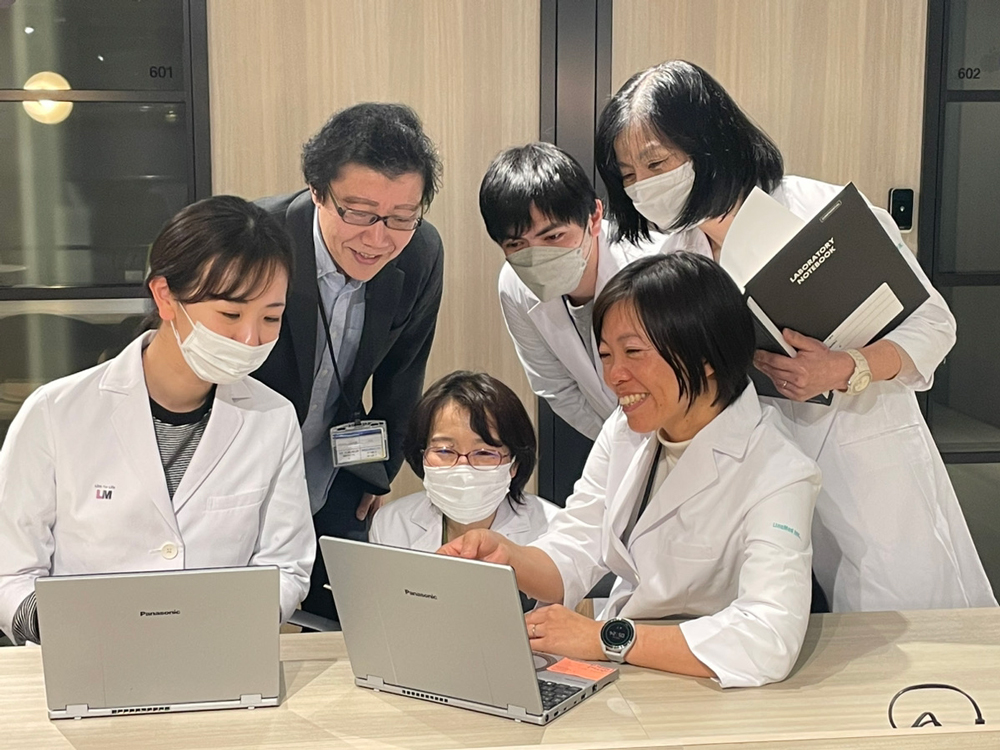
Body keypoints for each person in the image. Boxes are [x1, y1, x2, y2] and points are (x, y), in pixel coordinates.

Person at [594, 59, 996, 612]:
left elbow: (934, 324)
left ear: (709, 143)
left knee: (904, 611)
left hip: (863, 448)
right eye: (628, 175)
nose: (643, 186)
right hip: (763, 467)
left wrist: (846, 367)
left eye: (656, 163)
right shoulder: (678, 256)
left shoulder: (824, 215)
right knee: (789, 619)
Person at [442, 253, 821, 688]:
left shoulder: (779, 471)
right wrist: (507, 556)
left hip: (711, 684)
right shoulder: (626, 430)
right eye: (606, 355)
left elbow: (768, 638)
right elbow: (575, 547)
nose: (613, 376)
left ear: (705, 356)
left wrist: (605, 638)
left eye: (633, 352)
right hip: (629, 671)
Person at [0, 196, 315, 644]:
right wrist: (70, 632)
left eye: (271, 317)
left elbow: (286, 565)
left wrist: (229, 626)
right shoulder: (54, 413)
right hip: (89, 657)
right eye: (230, 313)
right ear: (166, 296)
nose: (250, 338)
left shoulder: (273, 418)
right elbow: (10, 571)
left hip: (216, 654)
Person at [253, 103, 444, 620]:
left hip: (334, 467)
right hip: (241, 467)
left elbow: (405, 373)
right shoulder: (258, 236)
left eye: (401, 218)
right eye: (358, 213)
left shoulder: (420, 252)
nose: (378, 239)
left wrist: (378, 474)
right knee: (236, 616)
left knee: (346, 618)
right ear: (318, 191)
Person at [479, 142, 678, 440]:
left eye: (554, 236)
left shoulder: (657, 266)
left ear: (594, 218)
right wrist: (622, 445)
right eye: (516, 244)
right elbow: (557, 387)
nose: (536, 256)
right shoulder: (514, 285)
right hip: (617, 440)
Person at [370, 370, 560, 552]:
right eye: (444, 450)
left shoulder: (554, 531)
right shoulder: (391, 524)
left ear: (514, 464)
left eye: (484, 453)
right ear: (421, 455)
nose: (463, 468)